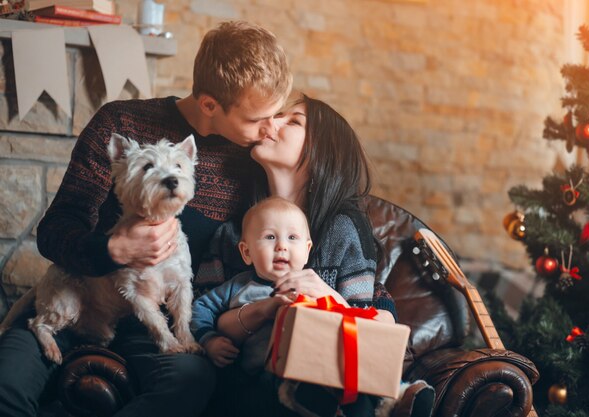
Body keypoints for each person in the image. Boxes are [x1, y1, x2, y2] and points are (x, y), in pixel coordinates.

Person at [0, 20, 292, 417]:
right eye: (260, 118)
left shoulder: (250, 161)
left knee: (192, 381)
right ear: (209, 105)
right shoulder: (120, 124)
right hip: (82, 298)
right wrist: (112, 249)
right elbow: (53, 232)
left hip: (157, 328)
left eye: (276, 115)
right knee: (7, 380)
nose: (271, 129)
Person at [197, 93, 424, 417]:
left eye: (291, 121)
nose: (270, 123)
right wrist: (261, 311)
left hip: (330, 373)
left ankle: (396, 399)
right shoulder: (232, 233)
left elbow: (371, 320)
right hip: (245, 381)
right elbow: (201, 317)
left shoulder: (343, 226)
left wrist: (328, 295)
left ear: (321, 150)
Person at [192, 197, 314, 373]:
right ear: (247, 252)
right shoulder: (239, 285)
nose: (282, 246)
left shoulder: (310, 287)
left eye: (292, 237)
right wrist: (209, 340)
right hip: (247, 377)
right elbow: (200, 306)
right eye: (270, 237)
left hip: (299, 375)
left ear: (306, 251)